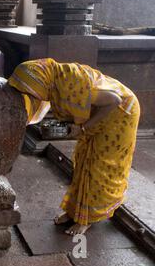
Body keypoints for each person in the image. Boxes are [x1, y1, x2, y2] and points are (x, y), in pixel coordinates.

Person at [8, 58, 140, 235]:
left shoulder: (70, 84)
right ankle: (75, 212)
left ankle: (88, 219)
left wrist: (83, 127)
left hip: (121, 114)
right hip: (102, 113)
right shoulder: (54, 81)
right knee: (84, 162)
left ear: (40, 83)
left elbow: (114, 100)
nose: (33, 96)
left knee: (99, 167)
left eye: (32, 92)